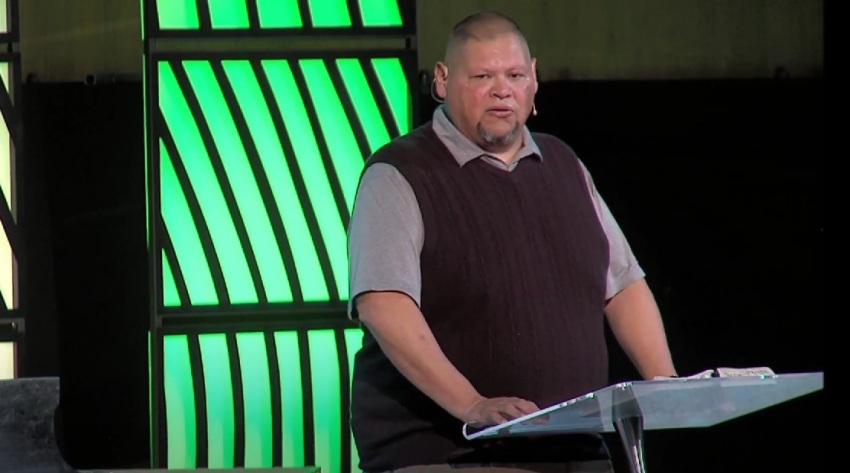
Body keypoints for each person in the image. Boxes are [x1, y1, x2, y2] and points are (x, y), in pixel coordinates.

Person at [347, 10, 677, 473]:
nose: (502, 89)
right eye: (482, 76)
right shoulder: (400, 173)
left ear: (534, 80)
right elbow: (383, 305)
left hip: (574, 451)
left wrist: (666, 386)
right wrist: (472, 404)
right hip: (451, 457)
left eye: (515, 75)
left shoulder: (563, 164)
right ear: (442, 80)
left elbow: (622, 285)